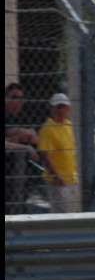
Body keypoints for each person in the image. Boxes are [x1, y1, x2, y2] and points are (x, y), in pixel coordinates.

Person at [37, 92, 79, 213]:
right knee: (60, 212)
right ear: (52, 109)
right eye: (58, 107)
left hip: (72, 177)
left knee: (72, 212)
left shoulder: (68, 125)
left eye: (64, 107)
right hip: (58, 180)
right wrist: (55, 176)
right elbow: (44, 154)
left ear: (68, 109)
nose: (61, 110)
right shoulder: (48, 128)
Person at [5, 82, 39, 213]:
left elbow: (36, 139)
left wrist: (24, 136)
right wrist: (22, 144)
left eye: (20, 98)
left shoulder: (22, 116)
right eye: (13, 97)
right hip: (8, 170)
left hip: (20, 172)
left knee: (19, 205)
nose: (17, 101)